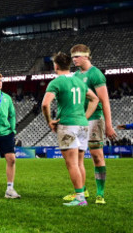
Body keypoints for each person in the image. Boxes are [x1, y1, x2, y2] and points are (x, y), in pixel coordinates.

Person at [42, 52, 100, 207]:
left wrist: (50, 121)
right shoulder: (79, 81)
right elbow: (95, 99)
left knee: (71, 163)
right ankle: (82, 193)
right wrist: (85, 116)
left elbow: (45, 104)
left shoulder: (56, 82)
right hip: (82, 125)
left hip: (68, 125)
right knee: (79, 162)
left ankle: (80, 197)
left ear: (56, 65)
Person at [68, 44, 117, 205]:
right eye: (72, 57)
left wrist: (109, 125)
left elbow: (105, 101)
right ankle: (82, 191)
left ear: (86, 56)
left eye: (76, 56)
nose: (73, 59)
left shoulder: (96, 74)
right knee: (77, 158)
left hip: (95, 119)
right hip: (79, 120)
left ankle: (100, 193)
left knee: (97, 156)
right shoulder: (74, 76)